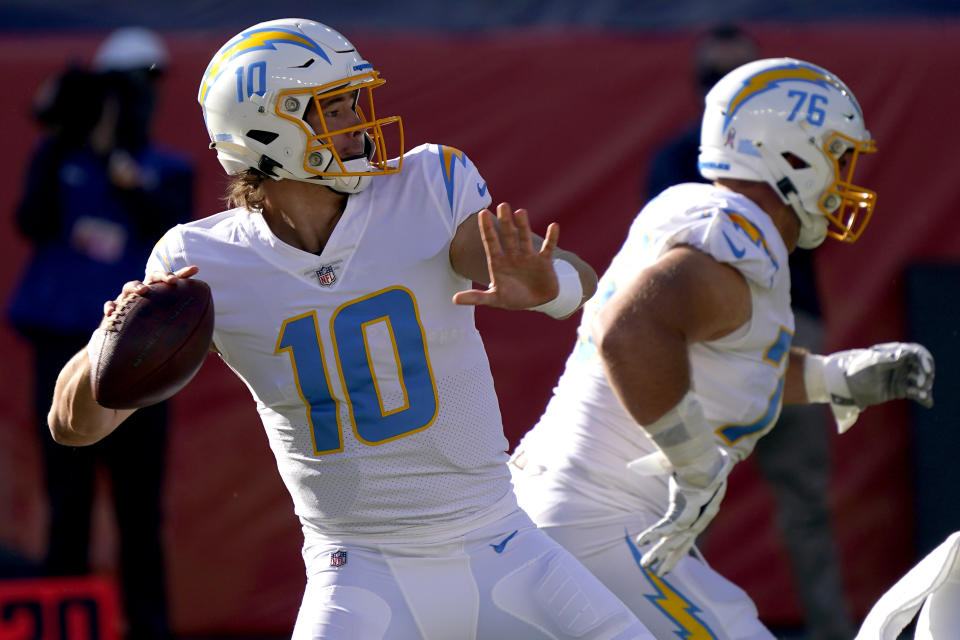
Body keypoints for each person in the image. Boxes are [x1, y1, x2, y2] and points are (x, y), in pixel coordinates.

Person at [46, 18, 654, 639]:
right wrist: (114, 339)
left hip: (503, 543)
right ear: (267, 132)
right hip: (359, 574)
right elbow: (74, 427)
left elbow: (546, 270)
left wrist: (548, 284)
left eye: (354, 102)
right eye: (333, 108)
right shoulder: (200, 262)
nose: (358, 122)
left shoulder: (429, 184)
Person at [509, 56, 935, 639]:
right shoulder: (740, 233)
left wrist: (832, 379)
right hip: (597, 520)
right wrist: (693, 460)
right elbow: (630, 333)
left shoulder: (721, 224)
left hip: (562, 512)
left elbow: (720, 365)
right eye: (838, 156)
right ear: (792, 153)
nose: (845, 177)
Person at [645, 25, 856, 640]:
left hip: (787, 328)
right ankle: (658, 623)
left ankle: (832, 629)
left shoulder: (791, 155)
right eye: (714, 78)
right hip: (711, 342)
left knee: (805, 501)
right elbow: (643, 312)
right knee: (689, 501)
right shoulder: (680, 165)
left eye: (732, 78)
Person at [6, 27, 193, 640]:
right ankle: (65, 624)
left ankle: (150, 628)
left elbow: (172, 235)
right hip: (64, 349)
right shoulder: (60, 160)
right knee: (69, 497)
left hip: (142, 358)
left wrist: (126, 177)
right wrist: (65, 142)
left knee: (140, 506)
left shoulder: (164, 170)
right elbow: (31, 220)